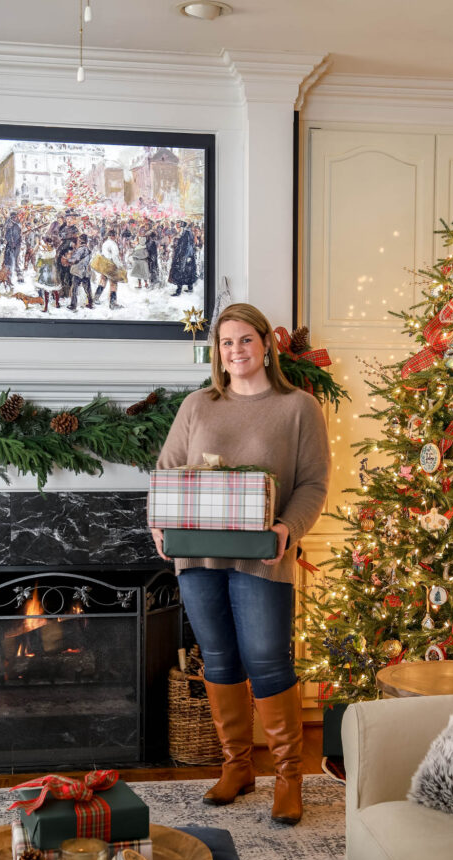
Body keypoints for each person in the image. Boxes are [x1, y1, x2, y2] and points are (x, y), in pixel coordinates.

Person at [151, 303, 331, 826]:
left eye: (245, 341)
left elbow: (313, 484)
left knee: (268, 660)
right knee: (219, 657)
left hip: (263, 559)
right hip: (198, 557)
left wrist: (286, 530)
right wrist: (158, 525)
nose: (236, 351)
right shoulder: (197, 406)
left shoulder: (298, 408)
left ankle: (288, 776)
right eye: (226, 343)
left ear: (266, 345)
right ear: (217, 352)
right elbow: (166, 472)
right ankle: (237, 766)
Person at [168, 219, 197, 296]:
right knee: (182, 271)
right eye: (176, 224)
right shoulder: (181, 233)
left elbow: (190, 245)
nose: (177, 225)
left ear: (182, 225)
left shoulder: (187, 233)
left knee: (184, 272)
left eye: (178, 224)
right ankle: (186, 288)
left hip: (186, 256)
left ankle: (179, 291)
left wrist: (189, 256)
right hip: (181, 255)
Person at [66, 233, 93, 311]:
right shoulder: (88, 249)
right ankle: (90, 303)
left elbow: (75, 259)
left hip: (78, 272)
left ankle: (73, 305)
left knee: (74, 289)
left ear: (80, 241)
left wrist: (68, 260)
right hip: (86, 272)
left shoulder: (80, 249)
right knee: (87, 289)